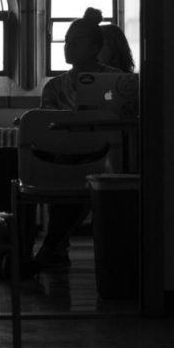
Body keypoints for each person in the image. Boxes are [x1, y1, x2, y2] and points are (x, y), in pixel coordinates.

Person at [34, 18, 122, 270]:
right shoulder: (53, 86)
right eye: (66, 40)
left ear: (95, 47)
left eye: (76, 41)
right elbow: (45, 129)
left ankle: (51, 247)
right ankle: (15, 247)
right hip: (60, 152)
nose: (67, 45)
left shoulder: (116, 81)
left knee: (77, 163)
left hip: (101, 155)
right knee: (5, 159)